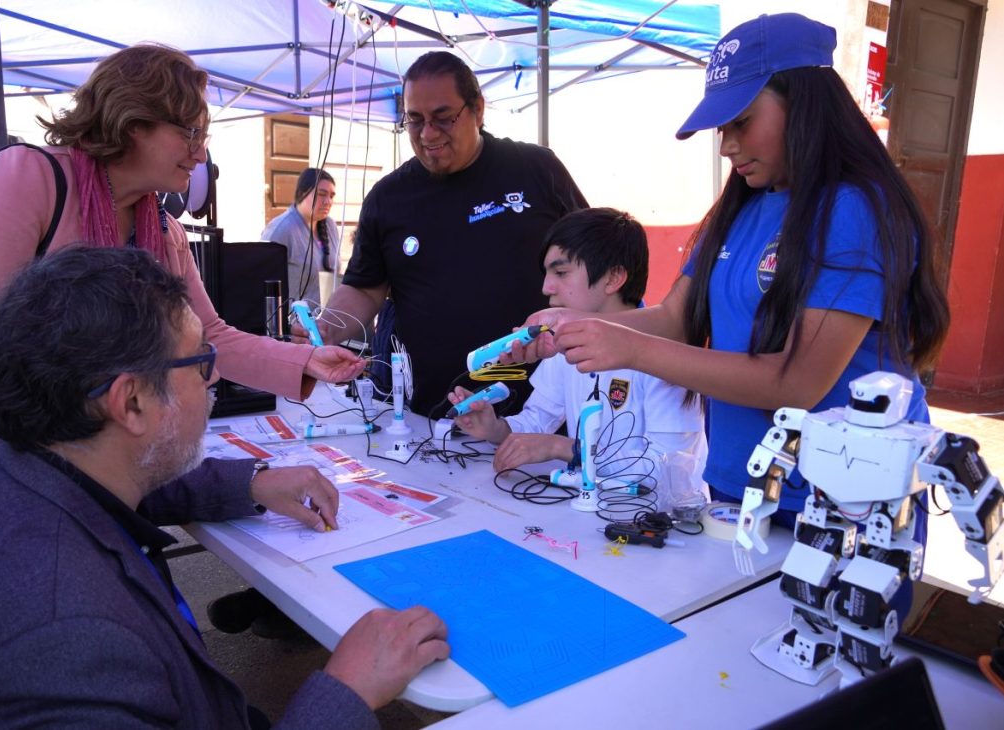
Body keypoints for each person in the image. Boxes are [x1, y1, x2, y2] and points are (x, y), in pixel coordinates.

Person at [0, 246, 449, 729]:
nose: (213, 380)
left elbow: (128, 484)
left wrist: (254, 483)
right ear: (131, 403)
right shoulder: (72, 651)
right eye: (200, 362)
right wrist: (345, 691)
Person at [515, 13, 949, 522]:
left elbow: (798, 382)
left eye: (741, 121)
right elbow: (677, 317)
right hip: (735, 488)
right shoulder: (741, 207)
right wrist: (577, 326)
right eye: (723, 128)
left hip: (838, 506)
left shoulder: (853, 210)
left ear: (806, 104)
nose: (727, 146)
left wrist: (629, 348)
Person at [0, 44, 364, 479]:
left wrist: (305, 360)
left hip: (81, 457)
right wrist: (83, 397)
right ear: (132, 121)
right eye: (189, 132)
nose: (200, 152)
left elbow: (207, 337)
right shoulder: (28, 179)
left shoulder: (165, 233)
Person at [316, 51, 588, 417]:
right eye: (414, 120)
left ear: (477, 109)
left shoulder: (536, 169)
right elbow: (365, 287)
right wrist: (327, 329)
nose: (428, 134)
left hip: (539, 412)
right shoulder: (389, 198)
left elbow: (592, 256)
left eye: (443, 118)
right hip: (434, 413)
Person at [447, 208, 707, 512]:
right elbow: (537, 421)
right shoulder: (563, 342)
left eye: (560, 273)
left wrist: (566, 449)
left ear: (613, 277)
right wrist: (496, 428)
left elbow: (668, 472)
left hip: (662, 531)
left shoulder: (665, 354)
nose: (546, 287)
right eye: (546, 274)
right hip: (589, 520)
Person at [262, 167, 340, 306]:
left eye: (331, 196)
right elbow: (263, 283)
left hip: (328, 320)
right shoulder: (281, 229)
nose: (328, 201)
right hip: (294, 323)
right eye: (321, 194)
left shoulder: (330, 226)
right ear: (302, 193)